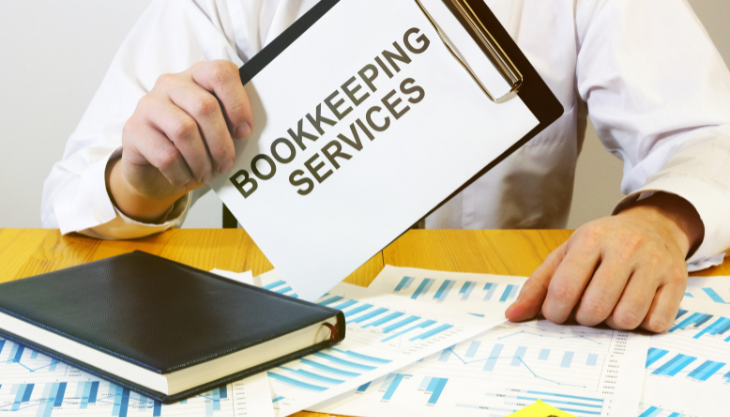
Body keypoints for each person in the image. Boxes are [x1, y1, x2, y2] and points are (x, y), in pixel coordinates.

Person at [42, 0, 730, 333]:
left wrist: (663, 220)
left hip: (503, 324)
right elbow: (71, 197)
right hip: (277, 333)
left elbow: (708, 136)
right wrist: (137, 182)